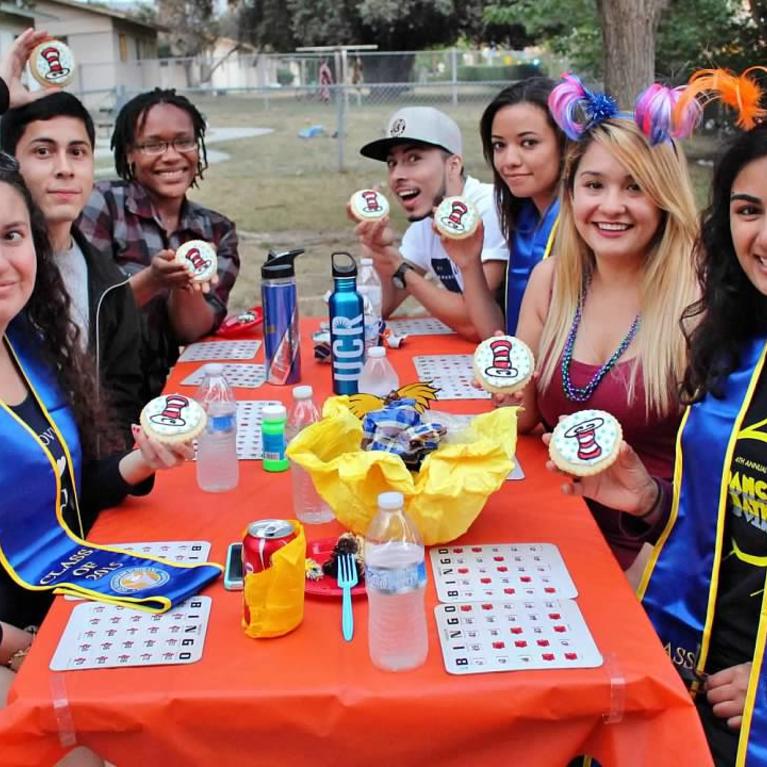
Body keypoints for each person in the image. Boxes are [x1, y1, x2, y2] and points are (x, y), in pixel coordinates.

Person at [551, 68, 767, 766]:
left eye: (635, 185)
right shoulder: (737, 346)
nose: (763, 233)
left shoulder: (691, 309)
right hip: (690, 659)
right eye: (748, 209)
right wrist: (647, 500)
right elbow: (725, 518)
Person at [0, 159, 191, 764]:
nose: (2, 262)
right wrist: (17, 648)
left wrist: (140, 459)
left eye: (10, 236)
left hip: (66, 600)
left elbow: (62, 493)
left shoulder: (28, 341)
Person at [515, 75, 700, 569]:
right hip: (556, 532)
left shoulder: (699, 301)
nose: (610, 206)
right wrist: (507, 389)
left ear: (664, 199)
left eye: (635, 187)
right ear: (572, 194)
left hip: (658, 556)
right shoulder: (550, 281)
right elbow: (525, 420)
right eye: (594, 185)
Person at [0, 91, 144, 448]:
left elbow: (121, 408)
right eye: (43, 151)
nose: (65, 168)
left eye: (78, 152)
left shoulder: (109, 283)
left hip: (84, 490)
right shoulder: (7, 279)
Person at [78, 88, 240, 398]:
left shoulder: (217, 230)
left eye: (183, 141)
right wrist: (152, 281)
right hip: (102, 390)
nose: (171, 155)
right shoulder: (101, 204)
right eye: (153, 144)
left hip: (175, 391)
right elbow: (89, 310)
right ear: (129, 153)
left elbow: (190, 331)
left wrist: (184, 285)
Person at [355, 106, 508, 339]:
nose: (397, 175)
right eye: (392, 163)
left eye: (413, 158)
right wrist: (376, 251)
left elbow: (477, 324)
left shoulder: (488, 207)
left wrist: (400, 268)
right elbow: (379, 308)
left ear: (453, 165)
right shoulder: (423, 224)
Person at [439, 77, 565, 337]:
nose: (509, 161)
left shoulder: (588, 228)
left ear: (566, 145)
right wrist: (469, 263)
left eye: (528, 143)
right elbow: (496, 333)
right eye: (499, 145)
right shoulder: (523, 217)